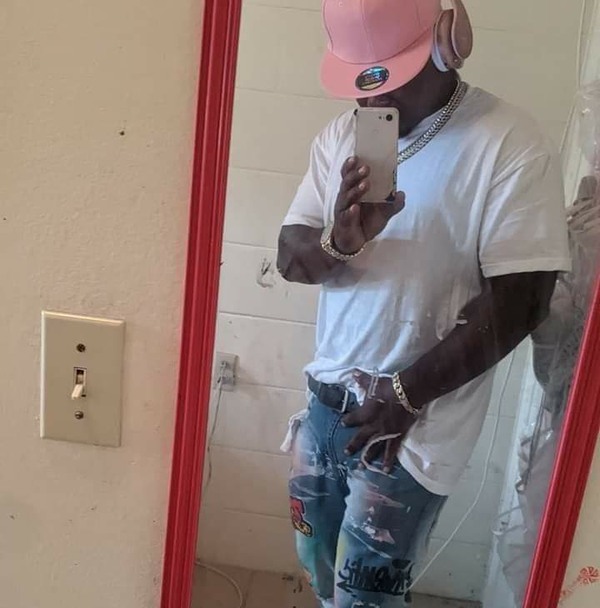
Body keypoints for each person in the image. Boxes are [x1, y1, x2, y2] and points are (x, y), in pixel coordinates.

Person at [277, 0, 571, 606]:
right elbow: (289, 256)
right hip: (325, 407)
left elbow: (523, 298)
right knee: (317, 573)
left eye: (390, 76)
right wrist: (340, 243)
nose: (371, 98)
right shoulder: (340, 138)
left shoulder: (509, 143)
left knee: (367, 599)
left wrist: (405, 395)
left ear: (447, 43)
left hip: (411, 431)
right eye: (360, 80)